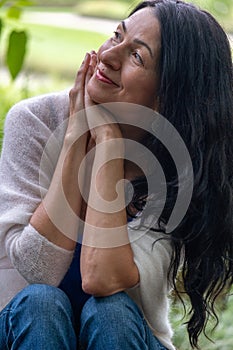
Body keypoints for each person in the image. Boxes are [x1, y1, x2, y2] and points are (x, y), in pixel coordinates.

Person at [0, 0, 232, 349]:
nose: (108, 55)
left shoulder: (177, 170)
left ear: (168, 95)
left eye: (137, 56)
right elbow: (40, 271)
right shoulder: (35, 121)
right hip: (21, 330)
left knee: (113, 310)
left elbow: (101, 277)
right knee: (41, 304)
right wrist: (76, 136)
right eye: (116, 36)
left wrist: (108, 143)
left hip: (126, 337)